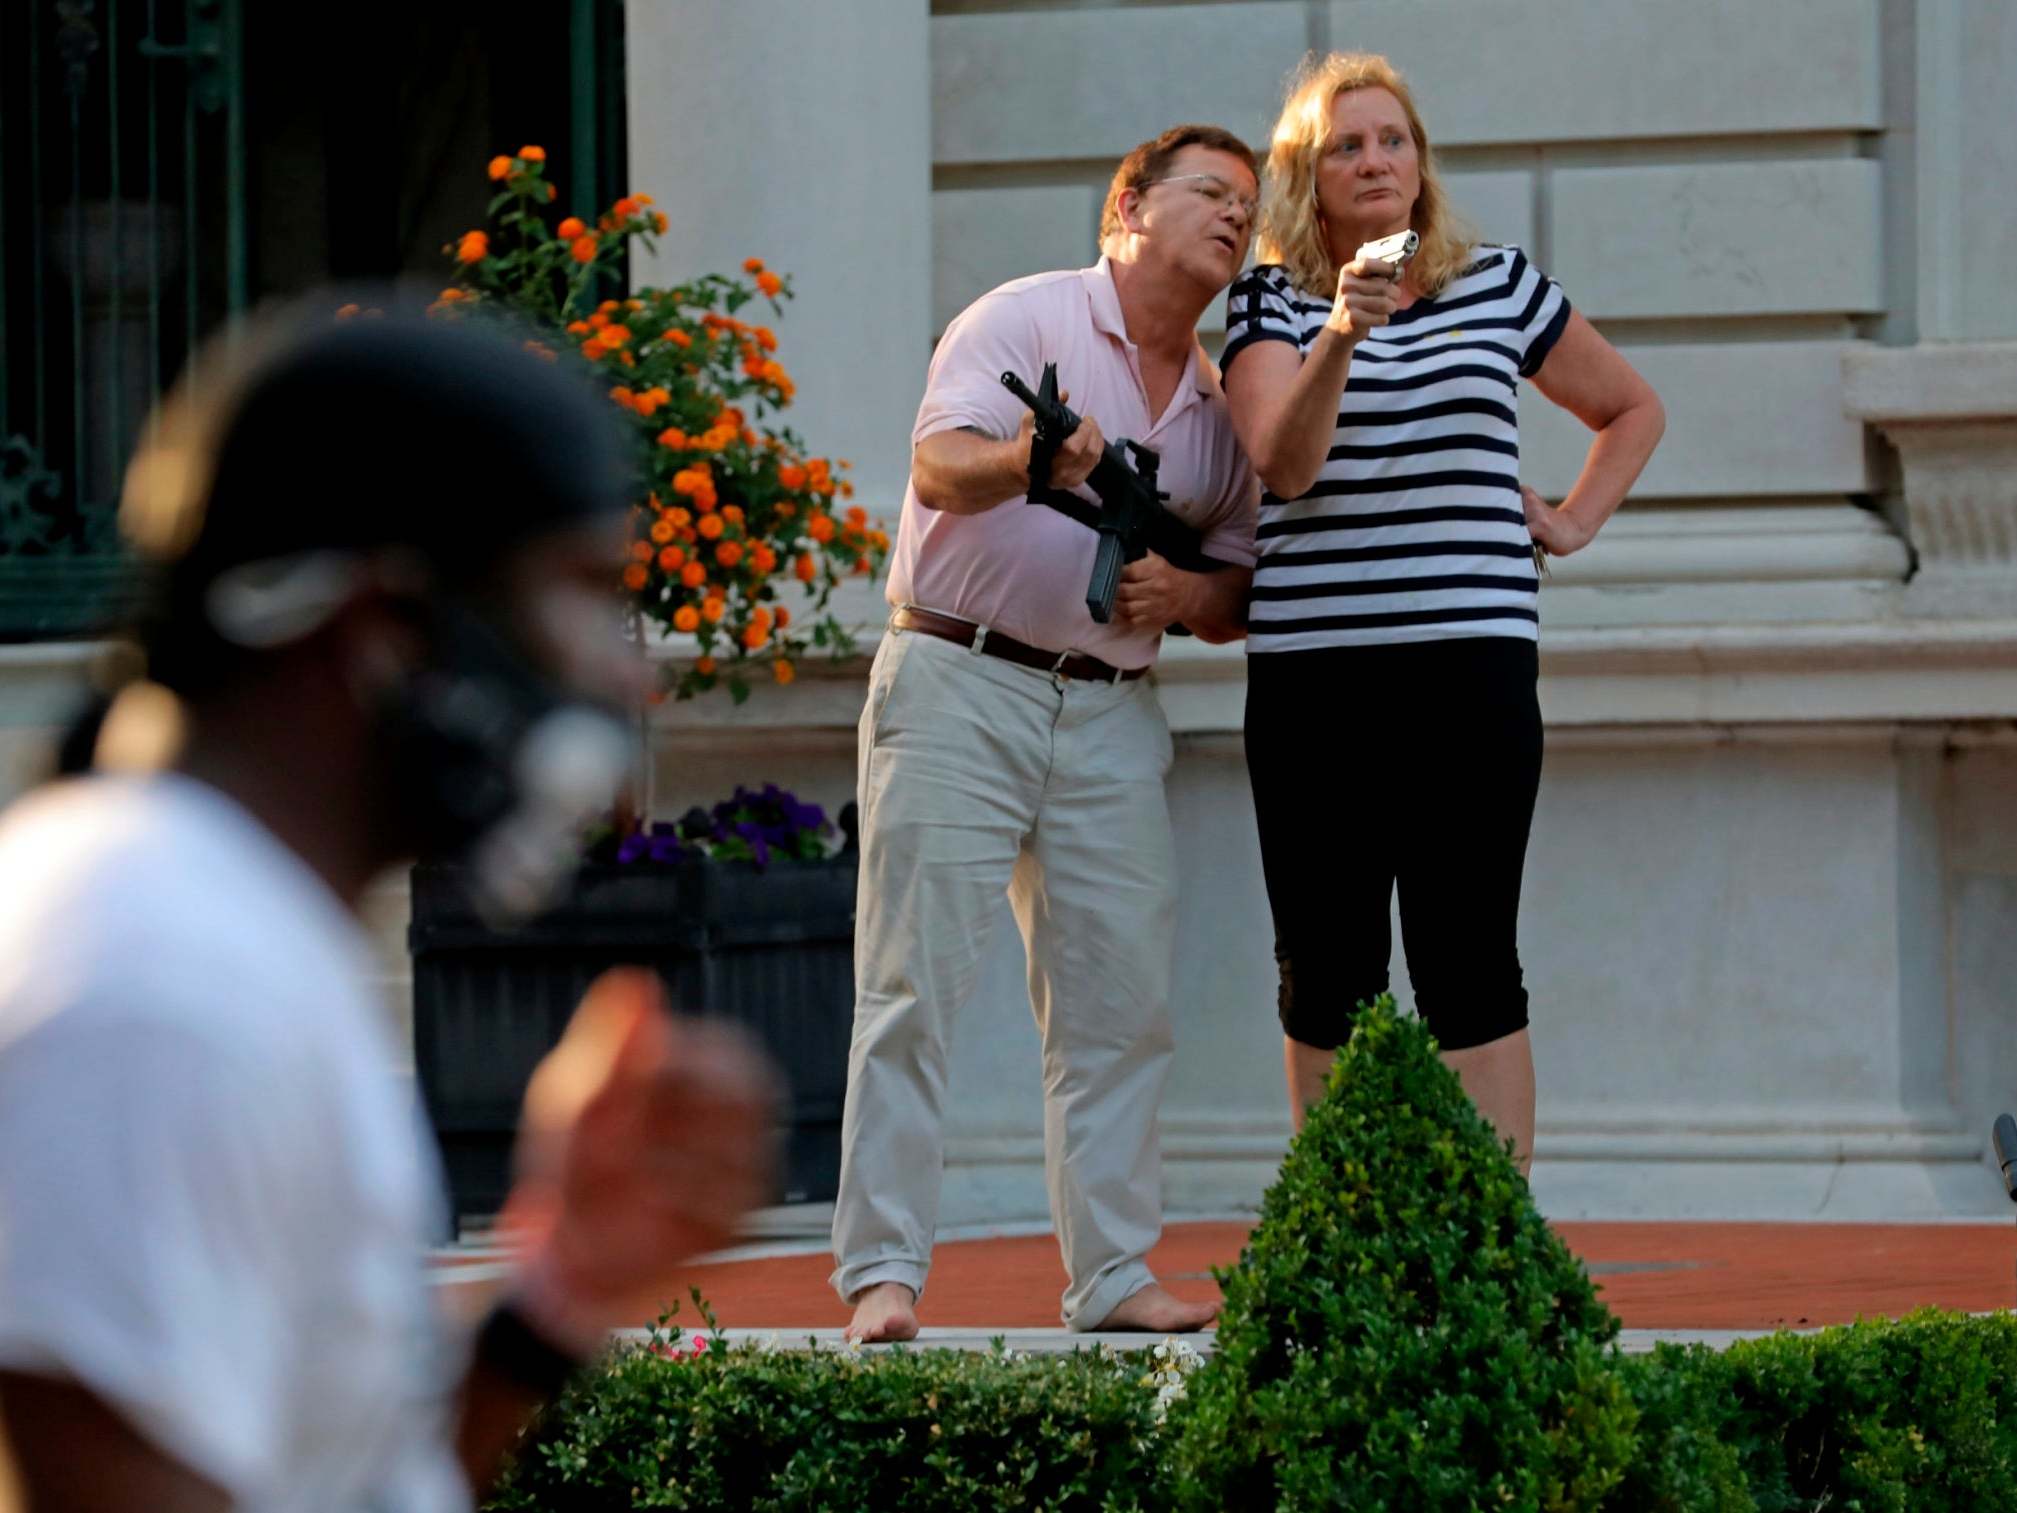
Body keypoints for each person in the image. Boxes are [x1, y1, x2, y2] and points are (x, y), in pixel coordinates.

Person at [0, 301, 777, 1512]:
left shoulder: (217, 929)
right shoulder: (156, 980)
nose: (628, 670)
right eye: (576, 592)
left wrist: (554, 1292)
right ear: (382, 630)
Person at [832, 125, 1263, 1342]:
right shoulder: (1021, 322)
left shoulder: (1221, 412)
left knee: (1119, 1007)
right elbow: (935, 466)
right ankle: (882, 1273)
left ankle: (1114, 1275)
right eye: (1211, 193)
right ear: (1126, 203)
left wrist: (1181, 598)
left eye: (1249, 204)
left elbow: (1236, 587)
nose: (1236, 216)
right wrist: (1033, 456)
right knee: (912, 986)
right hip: (960, 678)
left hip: (1114, 709)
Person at [1219, 54, 1665, 1165]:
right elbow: (1284, 468)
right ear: (1306, 177)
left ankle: (1492, 1252)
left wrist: (1569, 519)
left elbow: (1631, 408)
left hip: (1470, 669)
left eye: (1392, 140)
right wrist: (1339, 334)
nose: (1374, 160)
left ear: (1420, 163)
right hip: (1317, 681)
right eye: (1345, 145)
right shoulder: (1271, 304)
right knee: (1327, 967)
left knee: (1469, 957)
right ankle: (1341, 1241)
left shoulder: (1496, 282)